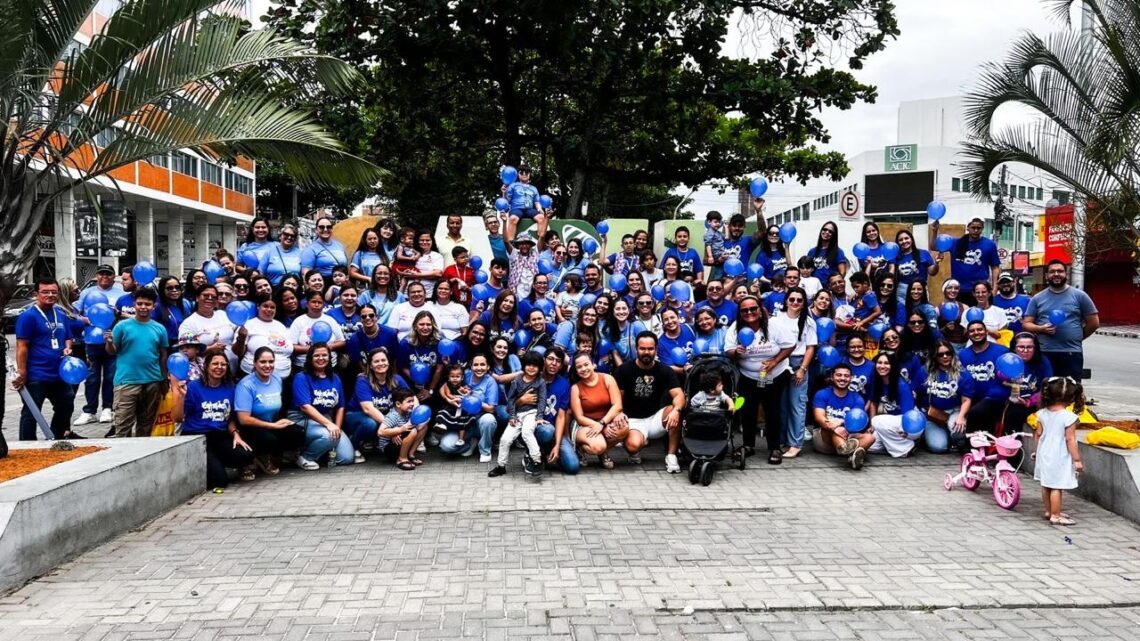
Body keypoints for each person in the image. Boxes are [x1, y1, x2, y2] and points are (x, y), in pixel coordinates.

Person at [726, 295, 795, 464]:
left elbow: (790, 345)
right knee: (748, 411)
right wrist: (736, 352)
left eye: (753, 309)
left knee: (773, 412)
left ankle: (774, 448)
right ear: (740, 313)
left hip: (775, 376)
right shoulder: (735, 328)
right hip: (748, 377)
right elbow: (728, 350)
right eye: (744, 310)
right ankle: (748, 446)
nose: (749, 312)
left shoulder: (774, 325)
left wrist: (774, 362)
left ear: (760, 309)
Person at [173, 352, 254, 489]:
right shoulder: (193, 387)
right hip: (197, 436)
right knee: (220, 482)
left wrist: (235, 434)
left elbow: (229, 417)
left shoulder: (230, 387)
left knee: (246, 455)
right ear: (206, 366)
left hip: (219, 435)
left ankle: (214, 462)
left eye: (223, 364)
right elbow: (177, 418)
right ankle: (207, 466)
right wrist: (180, 398)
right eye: (215, 364)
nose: (219, 367)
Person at [13, 279, 78, 440]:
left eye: (54, 292)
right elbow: (22, 346)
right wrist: (21, 371)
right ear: (36, 294)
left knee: (66, 403)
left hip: (59, 373)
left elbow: (68, 337)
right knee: (32, 412)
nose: (50, 295)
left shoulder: (61, 314)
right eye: (45, 292)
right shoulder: (28, 316)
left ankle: (56, 439)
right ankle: (27, 445)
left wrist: (68, 347)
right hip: (36, 374)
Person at [613, 332, 685, 472]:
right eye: (642, 348)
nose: (646, 352)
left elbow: (679, 395)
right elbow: (617, 399)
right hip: (632, 421)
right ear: (636, 348)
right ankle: (635, 450)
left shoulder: (665, 370)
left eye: (650, 349)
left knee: (676, 410)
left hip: (655, 418)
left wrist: (676, 411)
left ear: (656, 349)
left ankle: (671, 456)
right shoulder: (623, 370)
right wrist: (618, 414)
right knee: (633, 446)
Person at [106, 287, 168, 437]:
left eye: (147, 304)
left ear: (154, 306)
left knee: (146, 425)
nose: (143, 307)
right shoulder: (122, 326)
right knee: (123, 426)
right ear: (134, 304)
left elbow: (163, 356)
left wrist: (163, 379)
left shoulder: (160, 329)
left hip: (152, 381)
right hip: (126, 382)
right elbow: (112, 351)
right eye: (140, 303)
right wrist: (109, 342)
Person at [1023, 260, 1099, 381]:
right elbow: (1026, 324)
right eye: (1052, 272)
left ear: (1066, 274)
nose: (1056, 274)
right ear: (1046, 275)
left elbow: (1094, 323)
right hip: (1044, 353)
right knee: (1045, 387)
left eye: (1060, 271)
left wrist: (1077, 337)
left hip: (1071, 353)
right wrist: (1041, 329)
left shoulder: (1080, 296)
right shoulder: (1037, 298)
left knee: (1071, 388)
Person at [235, 347, 305, 475]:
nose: (267, 365)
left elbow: (277, 406)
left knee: (297, 432)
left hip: (271, 422)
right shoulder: (246, 385)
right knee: (269, 439)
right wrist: (273, 426)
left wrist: (282, 421)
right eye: (263, 362)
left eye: (271, 361)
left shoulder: (277, 379)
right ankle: (257, 457)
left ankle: (274, 455)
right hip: (250, 427)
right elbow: (243, 419)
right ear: (255, 363)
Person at [289, 343, 352, 469]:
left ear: (329, 357)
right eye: (316, 355)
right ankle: (305, 457)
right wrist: (329, 425)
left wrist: (337, 428)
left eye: (324, 355)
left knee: (346, 458)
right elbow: (305, 407)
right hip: (302, 418)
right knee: (329, 436)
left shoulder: (335, 378)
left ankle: (320, 451)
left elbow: (340, 406)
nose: (321, 358)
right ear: (310, 358)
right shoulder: (301, 377)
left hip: (325, 418)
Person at [74, 264, 123, 426]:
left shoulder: (120, 294)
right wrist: (85, 320)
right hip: (91, 341)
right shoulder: (87, 293)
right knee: (91, 378)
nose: (105, 277)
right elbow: (74, 313)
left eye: (108, 274)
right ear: (96, 276)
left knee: (110, 376)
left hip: (112, 341)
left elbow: (124, 315)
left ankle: (108, 408)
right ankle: (89, 411)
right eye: (101, 274)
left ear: (114, 276)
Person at [1033, 376, 1084, 526]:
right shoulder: (1069, 417)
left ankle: (1049, 511)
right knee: (1056, 486)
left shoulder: (1041, 413)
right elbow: (1070, 440)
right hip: (1059, 454)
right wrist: (1077, 460)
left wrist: (1036, 451)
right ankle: (1056, 515)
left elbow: (1038, 434)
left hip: (1044, 452)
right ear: (1071, 397)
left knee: (1046, 483)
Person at [489, 351, 549, 477]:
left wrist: (539, 417)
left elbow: (542, 400)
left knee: (527, 432)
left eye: (535, 365)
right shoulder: (517, 381)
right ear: (523, 365)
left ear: (540, 367)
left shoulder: (541, 382)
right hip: (517, 415)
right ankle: (501, 466)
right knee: (505, 439)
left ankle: (537, 460)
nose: (531, 368)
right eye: (528, 365)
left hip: (532, 413)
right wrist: (512, 416)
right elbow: (510, 400)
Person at [776, 286, 817, 458]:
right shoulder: (777, 319)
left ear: (804, 303)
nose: (795, 302)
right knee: (782, 405)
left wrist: (802, 369)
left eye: (799, 300)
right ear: (786, 301)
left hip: (798, 362)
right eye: (792, 299)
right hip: (780, 362)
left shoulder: (808, 322)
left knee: (797, 405)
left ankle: (795, 444)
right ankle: (783, 441)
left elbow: (810, 348)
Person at [345, 347, 409, 457]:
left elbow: (412, 398)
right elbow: (368, 409)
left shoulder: (397, 378)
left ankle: (375, 442)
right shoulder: (363, 380)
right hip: (356, 415)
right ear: (370, 365)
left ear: (388, 362)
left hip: (381, 416)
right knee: (370, 424)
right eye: (376, 361)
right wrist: (391, 429)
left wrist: (415, 417)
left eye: (383, 360)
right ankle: (353, 445)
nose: (381, 363)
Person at [569, 352, 627, 469]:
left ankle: (603, 453)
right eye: (579, 367)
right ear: (576, 370)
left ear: (593, 365)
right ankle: (581, 449)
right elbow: (579, 417)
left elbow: (617, 405)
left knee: (623, 427)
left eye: (586, 365)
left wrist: (603, 423)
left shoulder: (607, 379)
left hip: (604, 420)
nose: (583, 369)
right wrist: (599, 426)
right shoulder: (575, 388)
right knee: (598, 446)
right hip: (584, 425)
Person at [438, 353, 498, 461]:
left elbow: (491, 408)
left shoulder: (490, 382)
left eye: (482, 364)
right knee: (446, 446)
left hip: (478, 421)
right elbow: (443, 387)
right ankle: (470, 444)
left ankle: (485, 450)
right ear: (471, 366)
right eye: (476, 365)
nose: (479, 368)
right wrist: (448, 399)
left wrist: (472, 400)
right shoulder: (465, 374)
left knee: (489, 420)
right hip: (462, 421)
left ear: (488, 367)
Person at [811, 363, 871, 469]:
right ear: (832, 377)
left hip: (848, 434)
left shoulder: (857, 398)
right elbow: (819, 417)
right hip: (824, 438)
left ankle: (851, 454)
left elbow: (857, 423)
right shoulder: (822, 394)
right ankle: (849, 452)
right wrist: (835, 427)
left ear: (851, 378)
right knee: (835, 429)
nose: (842, 378)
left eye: (846, 376)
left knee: (870, 438)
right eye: (839, 375)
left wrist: (841, 423)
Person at [922, 339, 975, 453]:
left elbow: (966, 400)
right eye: (940, 354)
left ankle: (952, 436)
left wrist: (961, 417)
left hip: (954, 412)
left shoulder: (963, 374)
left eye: (948, 353)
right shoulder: (925, 371)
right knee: (939, 447)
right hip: (933, 415)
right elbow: (914, 391)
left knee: (959, 435)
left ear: (952, 354)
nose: (945, 356)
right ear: (935, 356)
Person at [958, 320, 1011, 434]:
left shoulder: (1002, 351)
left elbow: (1010, 376)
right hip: (971, 402)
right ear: (968, 335)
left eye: (979, 329)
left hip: (996, 402)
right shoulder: (962, 355)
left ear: (986, 332)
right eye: (972, 331)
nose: (976, 333)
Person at [533, 347, 579, 474]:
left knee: (573, 467)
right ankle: (533, 453)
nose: (554, 363)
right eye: (550, 359)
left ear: (561, 366)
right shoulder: (533, 378)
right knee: (547, 430)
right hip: (533, 428)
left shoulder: (564, 384)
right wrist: (521, 400)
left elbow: (560, 417)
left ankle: (549, 452)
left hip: (554, 432)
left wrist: (557, 446)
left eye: (558, 361)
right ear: (544, 360)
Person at [867, 353, 919, 457]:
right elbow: (873, 403)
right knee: (870, 445)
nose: (882, 366)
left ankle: (906, 448)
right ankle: (895, 446)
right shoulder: (878, 382)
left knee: (877, 421)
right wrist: (872, 426)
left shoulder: (901, 385)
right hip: (891, 423)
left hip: (909, 422)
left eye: (886, 363)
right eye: (879, 363)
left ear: (893, 366)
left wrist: (906, 431)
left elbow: (908, 414)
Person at [178, 285, 236, 370]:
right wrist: (211, 348)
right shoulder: (189, 323)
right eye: (205, 295)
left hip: (231, 369)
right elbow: (185, 352)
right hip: (205, 372)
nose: (210, 298)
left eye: (214, 297)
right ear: (197, 298)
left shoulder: (223, 315)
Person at [287, 290, 347, 369]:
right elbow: (292, 346)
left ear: (323, 305)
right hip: (303, 365)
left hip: (329, 365)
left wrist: (328, 348)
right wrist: (313, 350)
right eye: (313, 302)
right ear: (307, 304)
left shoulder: (330, 320)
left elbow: (342, 341)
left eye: (320, 302)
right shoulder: (298, 321)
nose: (316, 305)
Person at [936, 217, 1000, 291]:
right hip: (958, 288)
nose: (976, 230)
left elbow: (995, 267)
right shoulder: (956, 243)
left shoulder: (990, 244)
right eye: (973, 227)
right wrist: (934, 231)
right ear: (968, 228)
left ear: (982, 229)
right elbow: (933, 246)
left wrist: (994, 288)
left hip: (980, 290)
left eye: (978, 228)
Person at [236, 296, 293, 377]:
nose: (269, 309)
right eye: (265, 306)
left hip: (283, 377)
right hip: (253, 376)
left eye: (272, 307)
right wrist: (241, 338)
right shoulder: (247, 325)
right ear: (258, 307)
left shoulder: (281, 326)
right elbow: (238, 353)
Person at [381, 387, 431, 470]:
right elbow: (380, 432)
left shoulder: (408, 412)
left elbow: (418, 427)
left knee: (424, 427)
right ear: (398, 404)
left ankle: (410, 455)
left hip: (400, 443)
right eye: (409, 401)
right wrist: (397, 431)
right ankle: (402, 459)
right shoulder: (393, 415)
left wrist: (425, 420)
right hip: (389, 449)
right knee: (412, 430)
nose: (412, 404)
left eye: (412, 401)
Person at [891, 229, 937, 302]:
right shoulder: (896, 257)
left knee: (921, 309)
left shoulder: (923, 253)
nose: (904, 241)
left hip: (920, 289)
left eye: (906, 238)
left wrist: (936, 263)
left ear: (911, 239)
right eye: (900, 240)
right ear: (898, 243)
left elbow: (932, 272)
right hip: (902, 290)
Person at [504, 165, 545, 240]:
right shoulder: (513, 185)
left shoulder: (534, 188)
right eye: (521, 172)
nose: (524, 174)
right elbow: (507, 200)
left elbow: (536, 201)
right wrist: (504, 192)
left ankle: (541, 241)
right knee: (513, 218)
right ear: (518, 174)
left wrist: (540, 209)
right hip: (516, 209)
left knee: (541, 217)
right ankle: (510, 242)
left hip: (529, 209)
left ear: (529, 174)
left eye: (526, 172)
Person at [300, 215, 348, 280]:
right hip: (323, 283)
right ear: (316, 230)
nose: (325, 229)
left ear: (332, 229)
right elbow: (305, 274)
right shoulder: (310, 249)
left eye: (328, 227)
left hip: (342, 282)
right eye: (321, 227)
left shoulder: (339, 245)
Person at [408, 229, 445, 297]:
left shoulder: (437, 256)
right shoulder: (410, 253)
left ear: (432, 241)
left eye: (427, 240)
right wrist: (430, 275)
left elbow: (438, 273)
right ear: (417, 241)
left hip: (429, 294)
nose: (424, 242)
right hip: (410, 294)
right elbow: (405, 273)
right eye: (422, 240)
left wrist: (417, 274)